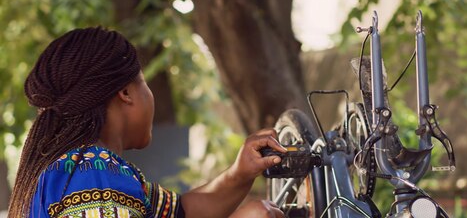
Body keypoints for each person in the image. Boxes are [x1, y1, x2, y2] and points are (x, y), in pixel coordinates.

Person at [7, 27, 287, 218]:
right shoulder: (94, 174)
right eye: (144, 83)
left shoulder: (82, 169)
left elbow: (184, 212)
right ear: (126, 93)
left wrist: (239, 173)